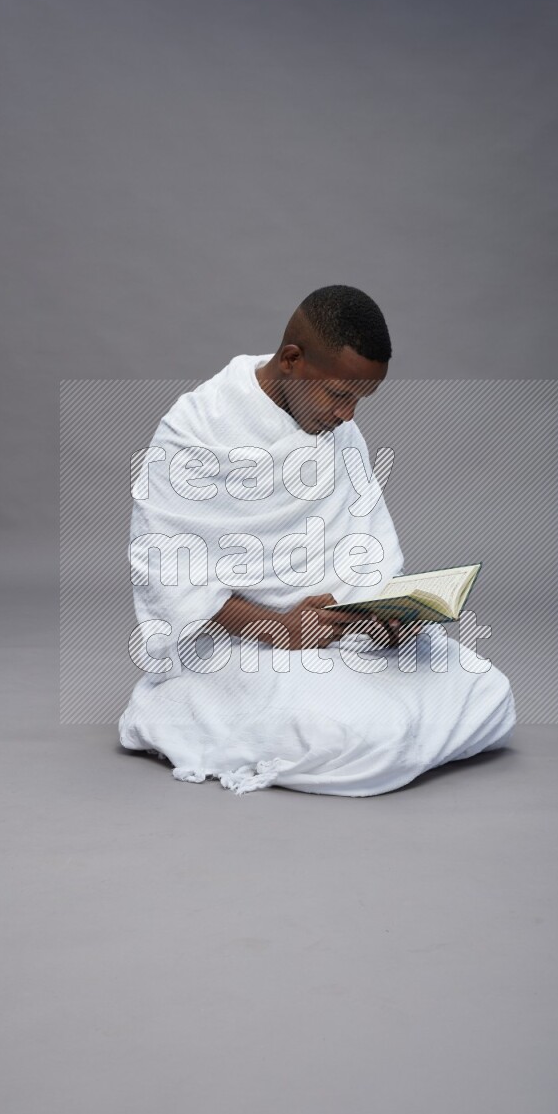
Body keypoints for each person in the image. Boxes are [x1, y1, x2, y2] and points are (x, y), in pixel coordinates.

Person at [118, 284, 516, 795]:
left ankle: (359, 703)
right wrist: (282, 627)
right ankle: (179, 705)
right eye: (340, 395)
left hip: (336, 629)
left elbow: (364, 552)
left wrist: (386, 613)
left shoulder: (335, 429)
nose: (348, 416)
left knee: (488, 693)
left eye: (361, 400)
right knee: (364, 738)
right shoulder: (195, 430)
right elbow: (171, 579)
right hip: (244, 642)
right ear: (291, 360)